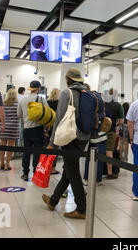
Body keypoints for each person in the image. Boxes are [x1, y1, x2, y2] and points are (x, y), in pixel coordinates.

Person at [42, 68, 91, 219]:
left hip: (70, 137)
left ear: (69, 79)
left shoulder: (66, 92)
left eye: (66, 78)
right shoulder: (88, 92)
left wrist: (52, 142)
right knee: (68, 170)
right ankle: (53, 200)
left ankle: (82, 209)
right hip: (84, 138)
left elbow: (59, 118)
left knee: (73, 173)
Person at [18, 80, 49, 181]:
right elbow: (47, 112)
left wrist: (27, 118)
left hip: (26, 129)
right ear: (39, 88)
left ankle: (25, 173)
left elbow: (19, 114)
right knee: (37, 152)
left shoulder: (23, 99)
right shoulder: (40, 98)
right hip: (38, 128)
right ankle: (36, 173)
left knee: (26, 152)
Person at [104, 88, 124, 180]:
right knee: (109, 151)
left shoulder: (103, 104)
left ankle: (98, 171)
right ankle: (109, 172)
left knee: (98, 151)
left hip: (100, 131)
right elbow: (121, 122)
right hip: (111, 131)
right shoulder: (118, 106)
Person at [0, 88, 19, 171]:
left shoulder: (3, 104)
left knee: (2, 144)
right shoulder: (17, 104)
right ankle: (7, 163)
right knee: (11, 146)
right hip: (13, 127)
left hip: (4, 126)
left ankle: (1, 163)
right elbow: (20, 115)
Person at [47, 88, 60, 174]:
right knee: (55, 148)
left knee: (47, 146)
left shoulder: (47, 102)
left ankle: (46, 166)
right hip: (57, 127)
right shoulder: (60, 102)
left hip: (48, 126)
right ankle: (53, 168)